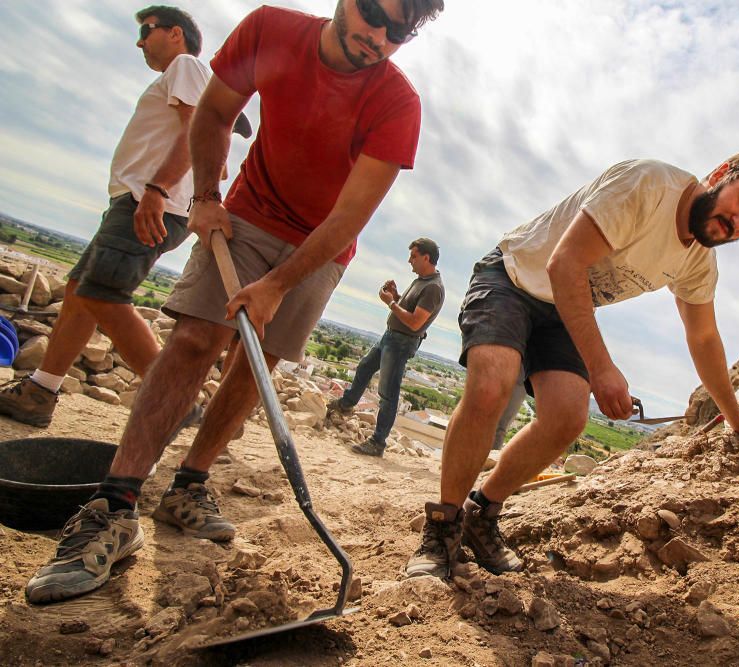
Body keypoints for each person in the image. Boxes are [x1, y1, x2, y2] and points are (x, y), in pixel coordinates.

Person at [25, 0, 444, 605]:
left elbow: (351, 214)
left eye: (397, 30)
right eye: (373, 13)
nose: (378, 36)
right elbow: (217, 112)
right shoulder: (271, 29)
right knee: (196, 338)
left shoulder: (397, 103)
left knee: (257, 364)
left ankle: (189, 485)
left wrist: (279, 285)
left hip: (323, 247)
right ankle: (114, 505)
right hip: (245, 214)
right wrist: (205, 193)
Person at [404, 145, 739, 578]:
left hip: (564, 308)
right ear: (723, 172)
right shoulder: (649, 185)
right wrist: (603, 369)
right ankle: (442, 527)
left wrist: (735, 417)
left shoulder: (699, 262)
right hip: (512, 278)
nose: (738, 224)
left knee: (567, 419)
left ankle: (481, 513)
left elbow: (703, 337)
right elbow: (564, 263)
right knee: (492, 385)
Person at [0, 6, 218, 428]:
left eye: (147, 31)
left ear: (176, 34)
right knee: (82, 291)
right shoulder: (182, 76)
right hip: (139, 199)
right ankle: (40, 392)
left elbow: (200, 132)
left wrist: (156, 189)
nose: (139, 42)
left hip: (149, 201)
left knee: (104, 296)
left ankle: (174, 402)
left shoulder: (187, 65)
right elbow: (209, 142)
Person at [329, 238, 445, 456]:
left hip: (401, 342)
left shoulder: (433, 288)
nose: (409, 261)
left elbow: (415, 322)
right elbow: (410, 309)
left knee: (388, 394)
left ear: (426, 258)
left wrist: (390, 303)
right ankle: (346, 404)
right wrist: (397, 296)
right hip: (390, 337)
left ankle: (377, 442)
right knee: (364, 367)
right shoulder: (422, 281)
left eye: (413, 256)